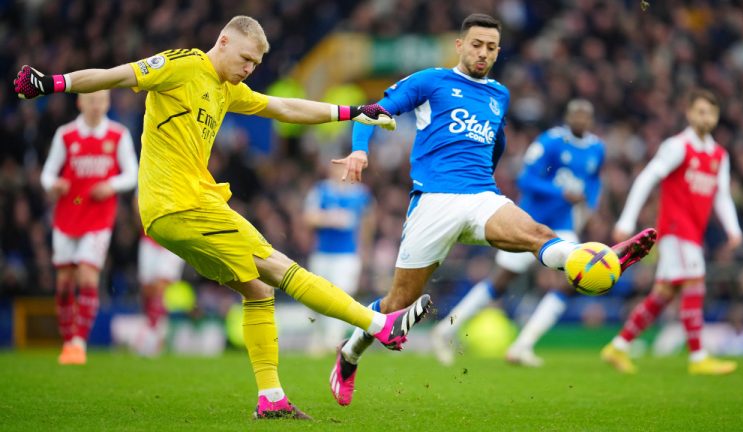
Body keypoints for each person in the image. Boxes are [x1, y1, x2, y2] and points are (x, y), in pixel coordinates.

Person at [14, 15, 433, 420]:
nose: (249, 69)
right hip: (182, 204)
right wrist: (53, 83)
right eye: (245, 59)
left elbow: (282, 107)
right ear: (225, 42)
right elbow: (117, 74)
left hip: (173, 212)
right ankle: (379, 323)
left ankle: (271, 398)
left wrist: (350, 112)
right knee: (277, 265)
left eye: (256, 64)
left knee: (257, 290)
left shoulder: (226, 89)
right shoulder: (181, 65)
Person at [328, 13, 656, 406]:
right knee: (397, 303)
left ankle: (602, 258)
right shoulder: (431, 81)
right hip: (434, 201)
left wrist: (487, 177)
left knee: (540, 235)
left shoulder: (499, 94)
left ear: (498, 52)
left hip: (483, 197)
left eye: (491, 47)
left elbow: (496, 142)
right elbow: (373, 110)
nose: (483, 53)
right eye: (477, 44)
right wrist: (361, 149)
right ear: (460, 45)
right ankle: (348, 356)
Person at [431, 99, 604, 367]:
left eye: (586, 115)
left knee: (573, 280)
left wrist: (589, 206)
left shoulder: (597, 148)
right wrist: (561, 192)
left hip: (562, 225)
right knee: (500, 281)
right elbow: (526, 179)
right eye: (576, 115)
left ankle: (523, 345)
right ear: (567, 117)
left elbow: (593, 181)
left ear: (591, 120)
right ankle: (446, 329)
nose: (581, 120)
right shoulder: (551, 142)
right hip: (530, 222)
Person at [601, 88, 742, 375]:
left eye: (711, 112)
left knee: (663, 294)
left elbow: (722, 195)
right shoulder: (677, 146)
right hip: (676, 230)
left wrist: (733, 229)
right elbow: (647, 178)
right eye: (700, 111)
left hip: (693, 232)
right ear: (689, 113)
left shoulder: (719, 155)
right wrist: (627, 221)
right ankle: (699, 357)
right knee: (695, 283)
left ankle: (619, 345)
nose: (706, 117)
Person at [40, 90, 139, 365]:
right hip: (68, 214)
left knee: (86, 276)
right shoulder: (66, 134)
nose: (96, 106)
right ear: (80, 102)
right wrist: (54, 185)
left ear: (107, 103)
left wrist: (111, 185)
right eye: (91, 100)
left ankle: (78, 342)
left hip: (99, 218)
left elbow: (131, 173)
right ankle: (68, 337)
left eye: (101, 101)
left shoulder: (118, 135)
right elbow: (48, 173)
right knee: (63, 284)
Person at [303, 162, 375, 355]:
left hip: (347, 255)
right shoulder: (320, 191)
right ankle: (316, 339)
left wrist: (364, 247)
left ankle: (333, 341)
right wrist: (329, 218)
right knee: (315, 298)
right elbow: (308, 218)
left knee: (342, 296)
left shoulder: (361, 193)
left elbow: (368, 222)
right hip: (322, 253)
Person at [133, 231, 186, 357]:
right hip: (149, 237)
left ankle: (150, 336)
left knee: (160, 286)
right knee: (148, 290)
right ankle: (156, 331)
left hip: (174, 237)